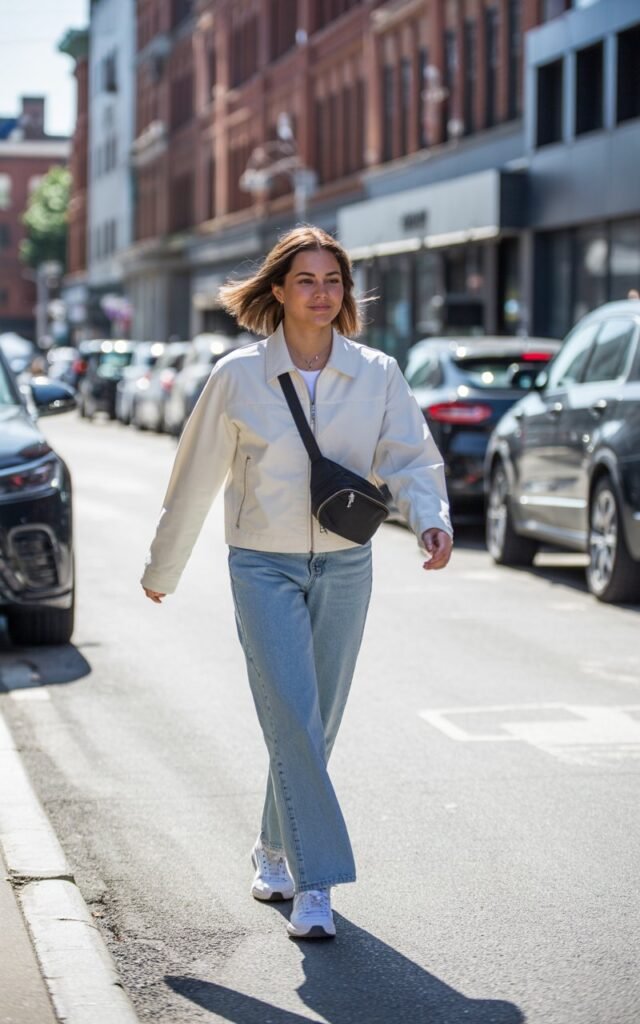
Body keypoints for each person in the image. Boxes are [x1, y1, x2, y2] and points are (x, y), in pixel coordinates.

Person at [141, 226, 453, 940]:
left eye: (334, 281)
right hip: (262, 563)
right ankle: (318, 885)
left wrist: (430, 518)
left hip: (348, 561)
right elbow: (193, 482)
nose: (322, 294)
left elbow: (410, 456)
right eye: (307, 280)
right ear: (277, 290)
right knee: (291, 709)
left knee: (315, 722)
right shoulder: (237, 376)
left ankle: (274, 846)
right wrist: (165, 567)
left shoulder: (376, 373)